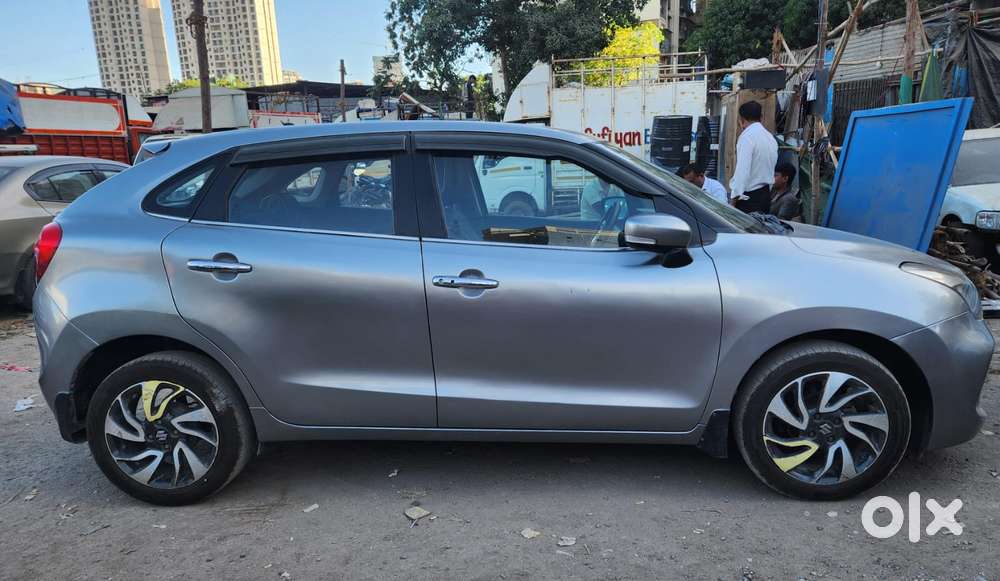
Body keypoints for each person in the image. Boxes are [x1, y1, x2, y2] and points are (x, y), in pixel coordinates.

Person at [729, 101, 778, 214]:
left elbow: (742, 171)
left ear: (741, 119)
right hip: (766, 195)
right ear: (761, 117)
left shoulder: (747, 137)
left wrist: (733, 200)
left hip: (749, 198)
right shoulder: (770, 138)